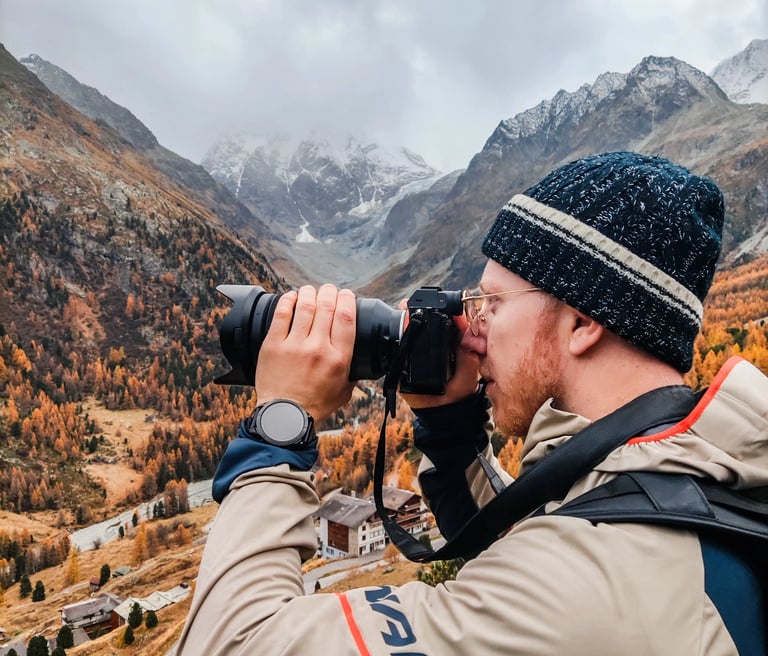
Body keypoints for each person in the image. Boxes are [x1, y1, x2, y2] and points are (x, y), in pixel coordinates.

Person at [175, 151, 768, 655]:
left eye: (494, 304)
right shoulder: (685, 473)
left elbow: (228, 641)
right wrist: (450, 427)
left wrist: (282, 418)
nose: (473, 330)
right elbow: (539, 530)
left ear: (584, 322)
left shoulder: (585, 586)